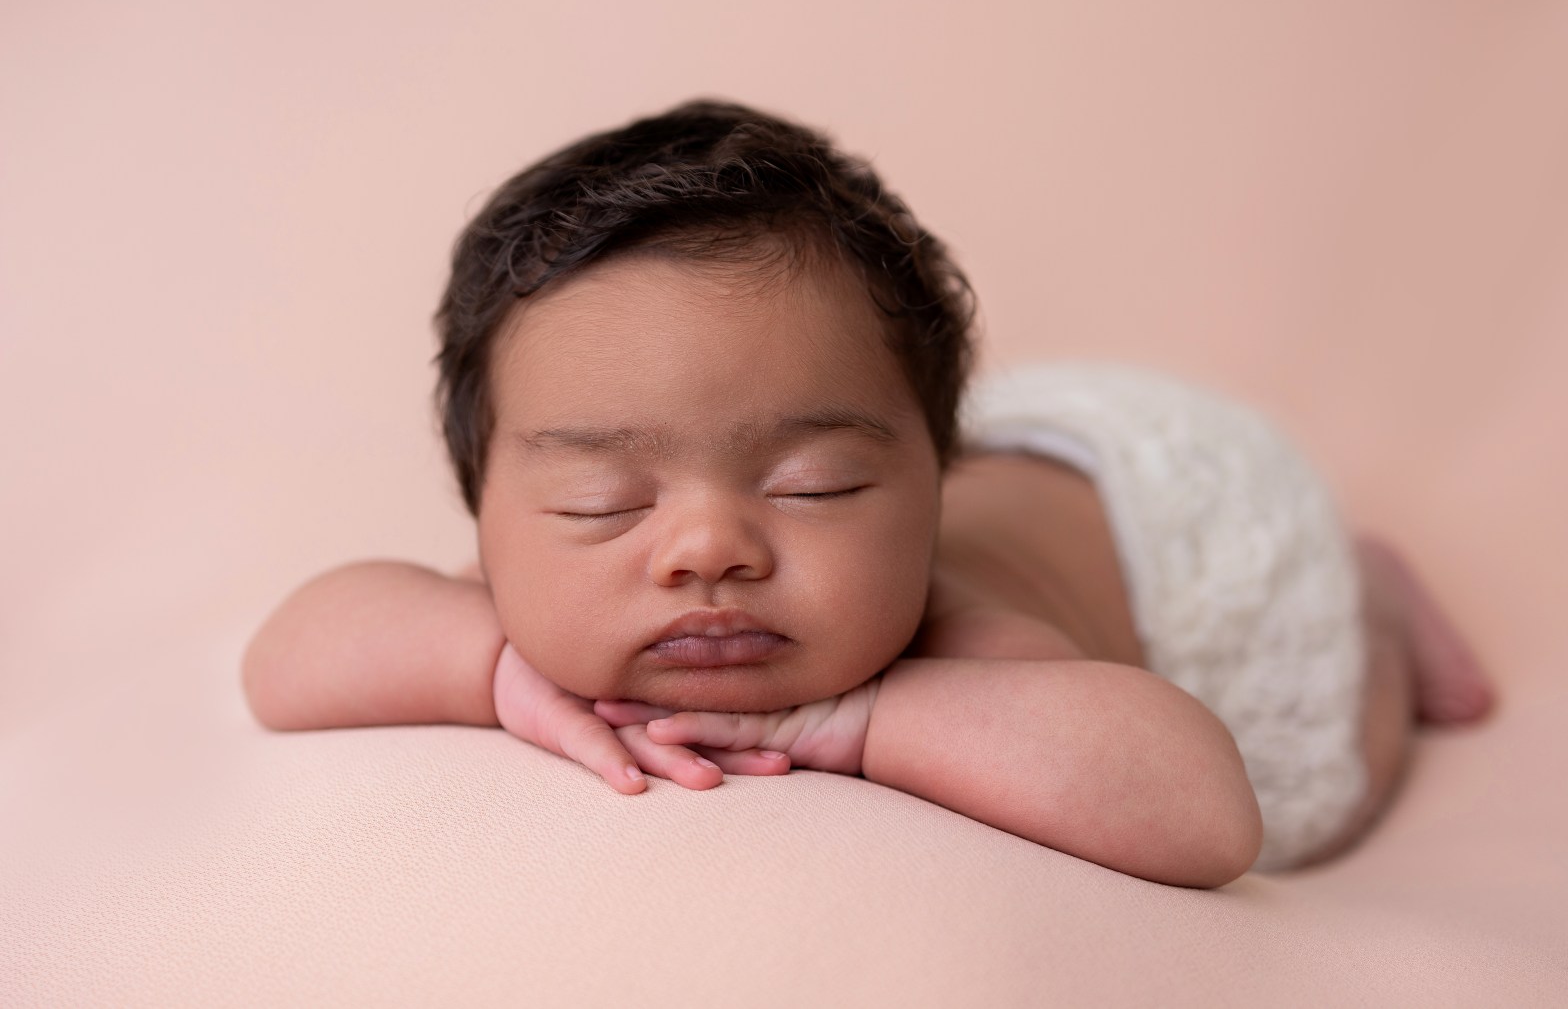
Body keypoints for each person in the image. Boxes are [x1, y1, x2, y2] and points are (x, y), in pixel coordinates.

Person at [242, 100, 1495, 889]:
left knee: (1332, 758)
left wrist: (854, 722)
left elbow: (1207, 812)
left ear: (923, 492)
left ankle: (1373, 594)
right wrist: (495, 670)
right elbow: (288, 656)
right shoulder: (530, 598)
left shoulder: (972, 634)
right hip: (1003, 436)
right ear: (487, 518)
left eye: (816, 485)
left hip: (1191, 510)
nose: (707, 546)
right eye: (603, 499)